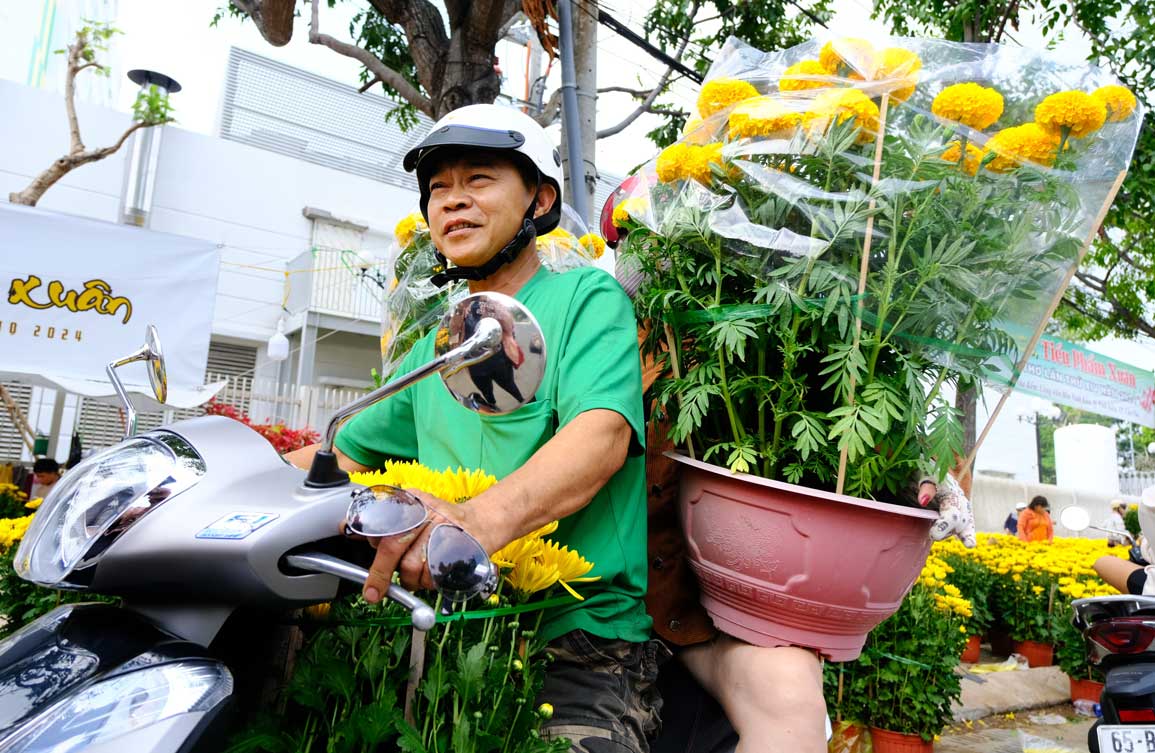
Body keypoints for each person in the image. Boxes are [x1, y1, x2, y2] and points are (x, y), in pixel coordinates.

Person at [285, 104, 660, 753]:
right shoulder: (437, 340)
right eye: (437, 188)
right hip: (443, 629)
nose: (451, 201)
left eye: (478, 179)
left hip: (575, 639)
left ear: (539, 199)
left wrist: (469, 525)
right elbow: (338, 453)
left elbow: (599, 437)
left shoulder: (585, 302)